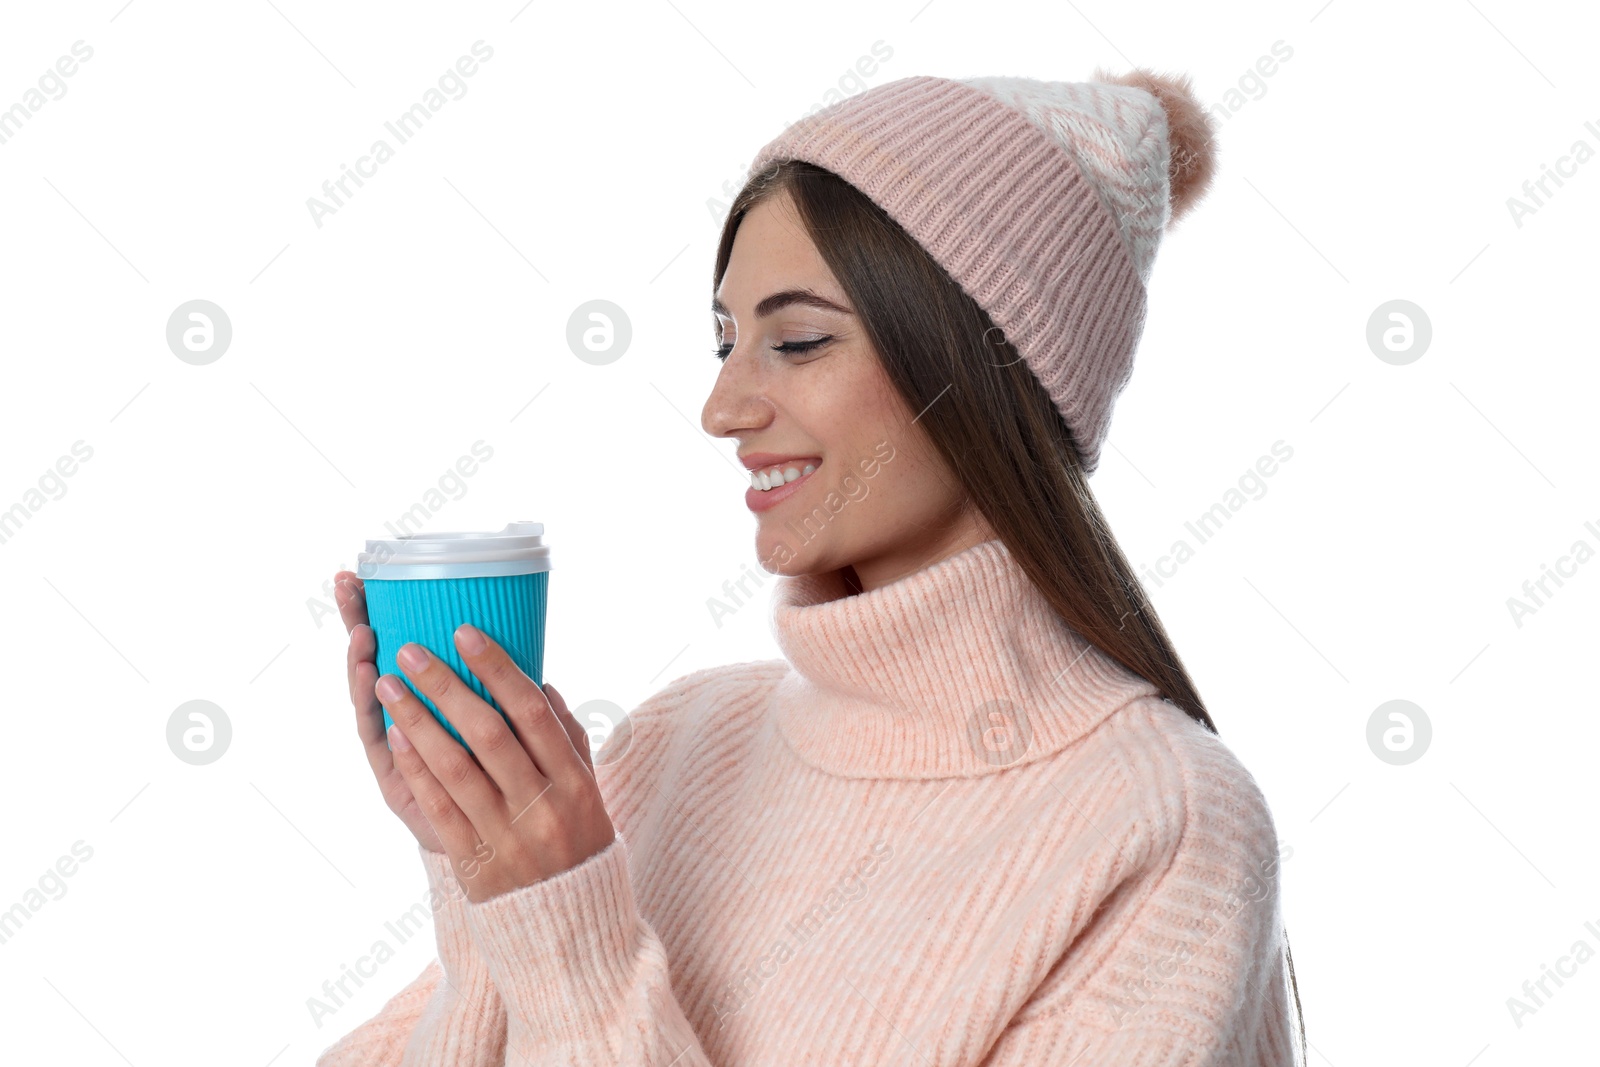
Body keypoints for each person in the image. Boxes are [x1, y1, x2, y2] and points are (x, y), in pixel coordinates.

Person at [317, 68, 1306, 1065]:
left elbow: (574, 983)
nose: (724, 409)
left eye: (795, 340)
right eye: (724, 342)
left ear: (979, 363)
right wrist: (480, 858)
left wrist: (570, 938)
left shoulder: (1163, 826)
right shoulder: (680, 742)